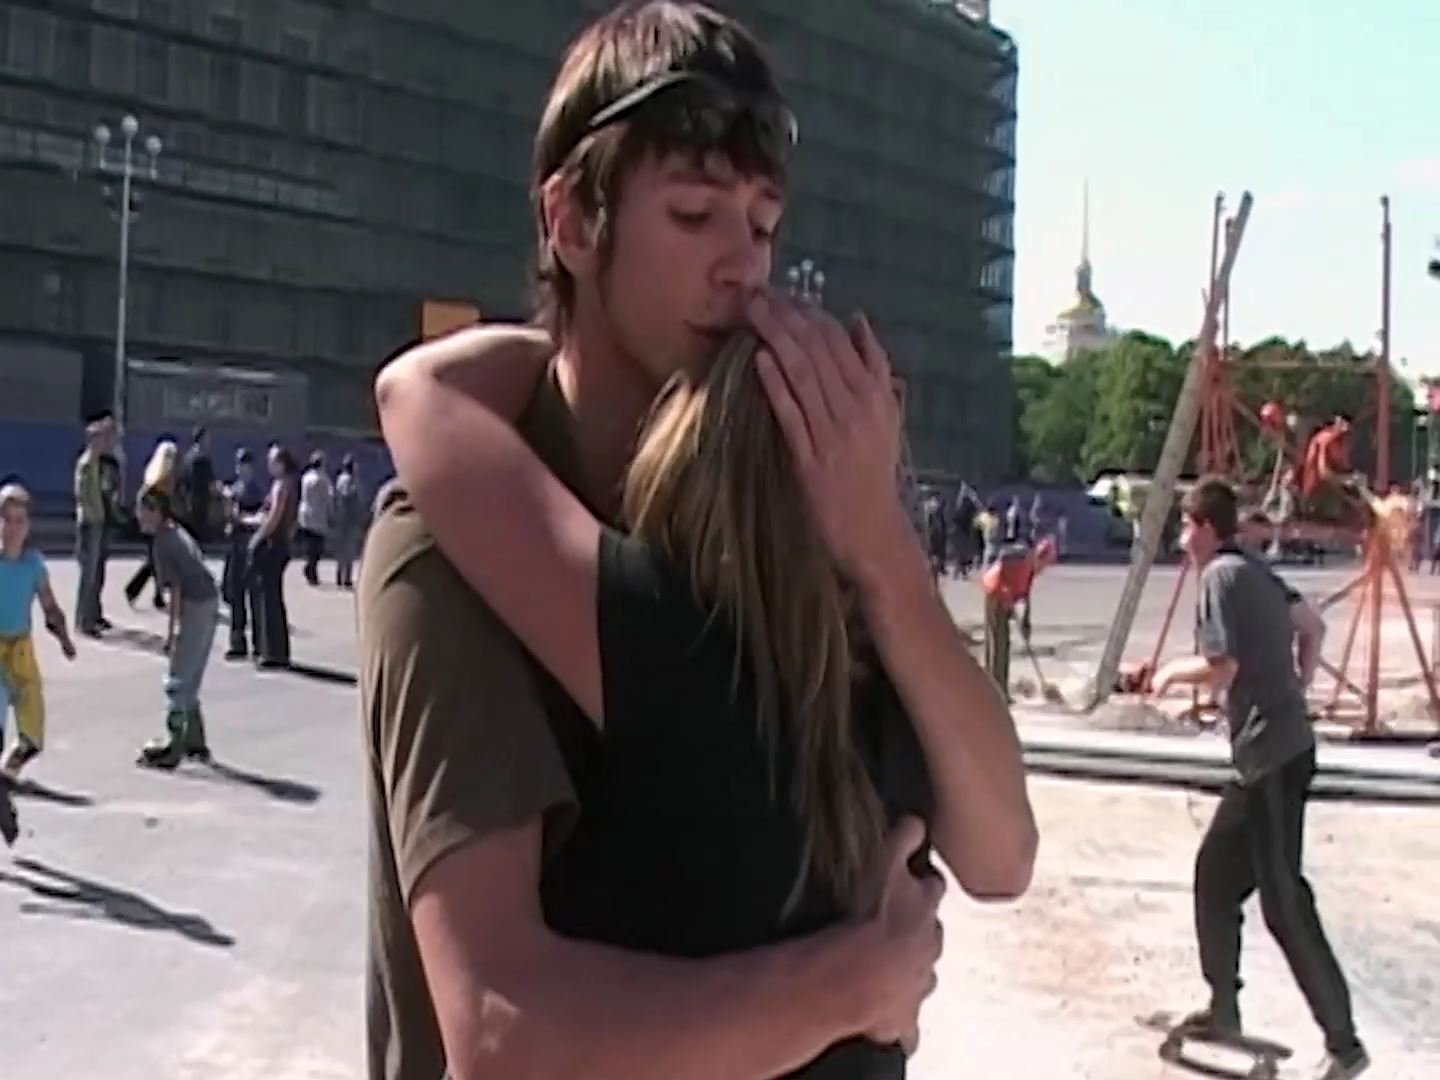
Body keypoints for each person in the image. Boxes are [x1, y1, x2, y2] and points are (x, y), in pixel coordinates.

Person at [358, 5, 1033, 1078]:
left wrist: (881, 550)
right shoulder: (452, 549)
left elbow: (1001, 852)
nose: (743, 269)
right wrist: (850, 988)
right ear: (573, 223)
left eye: (762, 228)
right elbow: (496, 1028)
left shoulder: (786, 514)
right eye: (693, 215)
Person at [1152, 477, 1367, 1080]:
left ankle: (1345, 1045)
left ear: (1205, 528)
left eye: (1186, 524)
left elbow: (1222, 667)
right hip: (1272, 755)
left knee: (1283, 902)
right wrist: (1296, 688)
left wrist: (1169, 676)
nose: (1180, 536)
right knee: (1216, 878)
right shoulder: (1255, 568)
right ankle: (1223, 1008)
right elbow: (1312, 628)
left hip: (1271, 759)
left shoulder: (1219, 576)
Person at [134, 489, 218, 769]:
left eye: (144, 512)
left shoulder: (163, 542)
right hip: (209, 600)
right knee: (191, 675)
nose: (139, 517)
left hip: (195, 604)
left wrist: (173, 633)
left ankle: (174, 745)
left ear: (157, 513)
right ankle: (195, 741)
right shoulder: (175, 531)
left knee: (178, 676)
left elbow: (176, 591)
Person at [0, 483, 77, 783]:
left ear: (28, 525)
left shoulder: (32, 564)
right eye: (6, 519)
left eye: (19, 520)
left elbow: (50, 607)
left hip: (20, 649)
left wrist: (65, 640)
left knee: (33, 728)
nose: (12, 528)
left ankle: (9, 772)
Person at [980, 537, 1058, 701]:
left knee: (1003, 644)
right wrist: (1004, 589)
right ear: (1040, 556)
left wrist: (1025, 621)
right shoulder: (1022, 558)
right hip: (996, 593)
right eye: (1046, 562)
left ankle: (998, 689)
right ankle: (996, 693)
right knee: (998, 644)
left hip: (1003, 597)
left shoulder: (1031, 568)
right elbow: (1003, 563)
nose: (1044, 568)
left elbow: (1025, 594)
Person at [250, 445, 298, 669]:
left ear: (280, 463)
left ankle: (271, 652)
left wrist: (258, 537)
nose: (269, 465)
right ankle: (279, 651)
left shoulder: (280, 485)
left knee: (268, 599)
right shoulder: (291, 484)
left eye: (272, 461)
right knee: (275, 598)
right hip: (283, 544)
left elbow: (274, 517)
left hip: (273, 544)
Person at [221, 448, 266, 660]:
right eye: (239, 464)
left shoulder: (257, 490)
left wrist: (240, 517)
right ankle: (237, 641)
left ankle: (259, 643)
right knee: (234, 593)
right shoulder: (235, 488)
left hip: (249, 546)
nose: (241, 468)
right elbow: (228, 517)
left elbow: (260, 517)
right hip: (235, 546)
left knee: (254, 596)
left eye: (245, 464)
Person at [125, 438, 179, 610]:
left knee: (155, 560)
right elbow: (150, 499)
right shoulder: (156, 474)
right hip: (151, 522)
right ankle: (145, 593)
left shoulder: (166, 473)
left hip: (158, 521)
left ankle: (148, 593)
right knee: (155, 560)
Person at [73, 417, 113, 636]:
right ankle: (84, 622)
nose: (104, 442)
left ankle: (91, 616)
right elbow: (81, 494)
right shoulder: (87, 463)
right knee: (88, 575)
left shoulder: (97, 463)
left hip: (98, 520)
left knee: (95, 573)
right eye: (101, 439)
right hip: (90, 524)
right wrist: (92, 516)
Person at [175, 425, 217, 546]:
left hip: (189, 500)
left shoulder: (188, 457)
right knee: (200, 536)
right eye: (207, 437)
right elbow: (210, 483)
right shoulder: (203, 459)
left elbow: (182, 479)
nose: (209, 440)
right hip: (201, 501)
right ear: (201, 438)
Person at [297, 451, 333, 587]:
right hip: (318, 515)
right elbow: (328, 499)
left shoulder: (305, 477)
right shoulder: (323, 479)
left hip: (305, 514)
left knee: (309, 544)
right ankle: (311, 570)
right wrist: (330, 514)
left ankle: (310, 569)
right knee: (318, 547)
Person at [331, 454, 364, 589]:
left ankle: (339, 576)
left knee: (341, 548)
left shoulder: (340, 479)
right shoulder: (350, 481)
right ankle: (346, 578)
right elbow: (348, 496)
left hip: (341, 518)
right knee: (349, 549)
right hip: (349, 519)